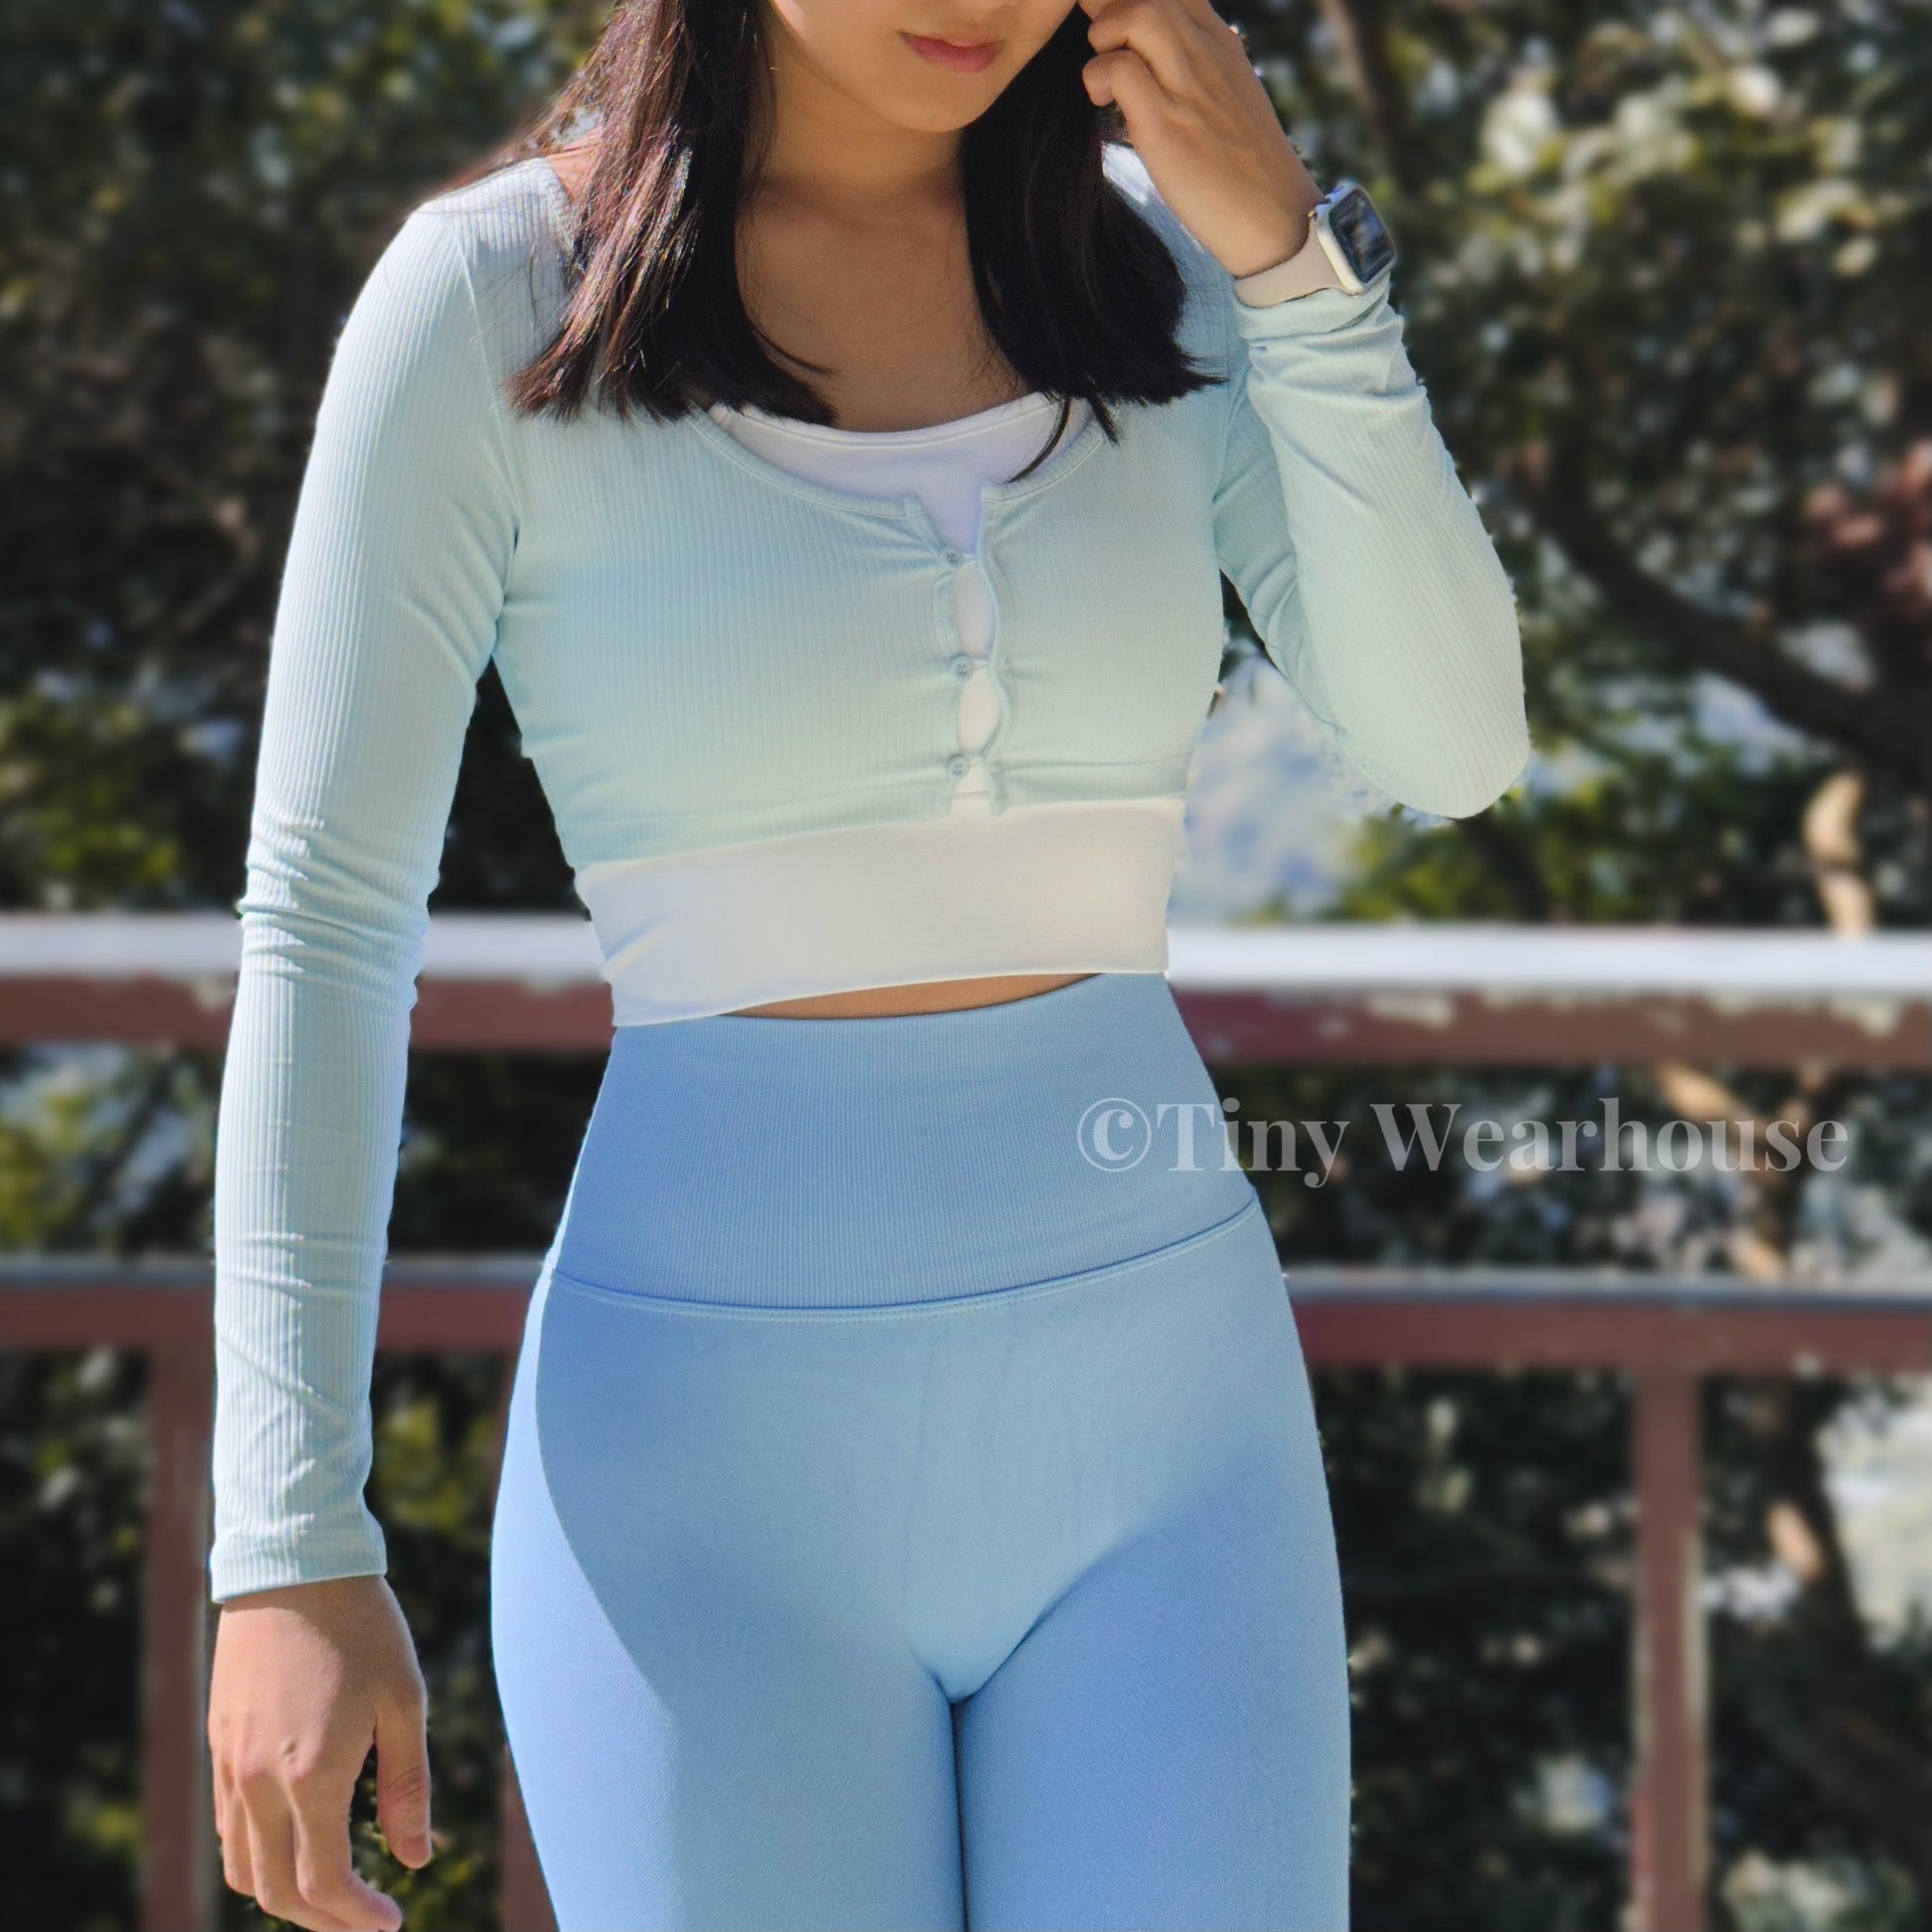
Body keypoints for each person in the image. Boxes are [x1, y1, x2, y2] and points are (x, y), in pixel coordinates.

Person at [202, 1, 1531, 1927]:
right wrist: (286, 1539)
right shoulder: (493, 296)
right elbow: (327, 924)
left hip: (1173, 1466)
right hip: (700, 1502)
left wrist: (1289, 269)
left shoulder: (1167, 269)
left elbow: (1452, 742)